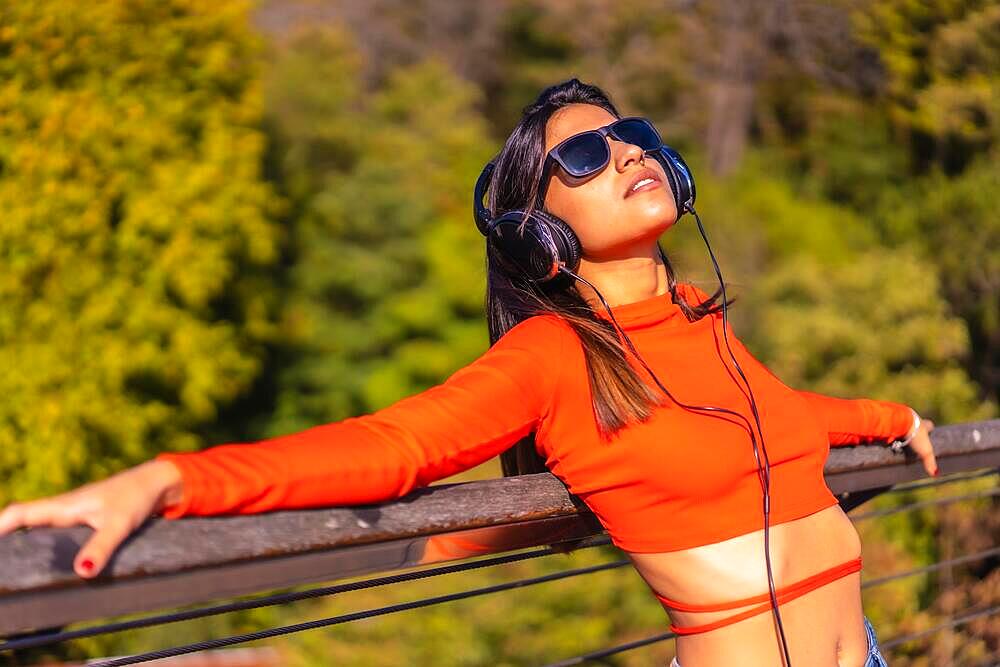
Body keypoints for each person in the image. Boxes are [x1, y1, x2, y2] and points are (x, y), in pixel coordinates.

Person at [0, 79, 937, 666]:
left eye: (633, 134)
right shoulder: (553, 357)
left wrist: (890, 414)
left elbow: (785, 416)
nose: (626, 152)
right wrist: (170, 477)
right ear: (543, 231)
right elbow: (394, 446)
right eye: (583, 153)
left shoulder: (699, 316)